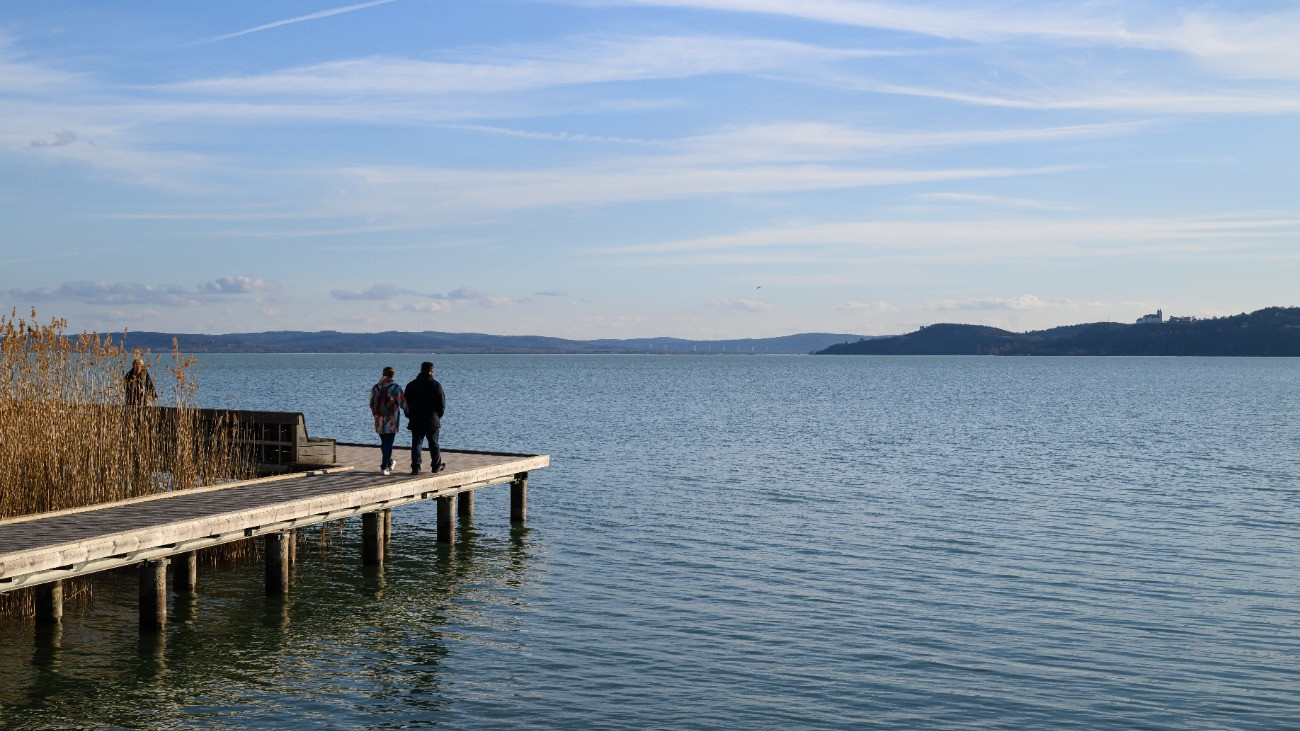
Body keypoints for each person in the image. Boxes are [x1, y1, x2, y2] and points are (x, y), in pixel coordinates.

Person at [404, 361, 445, 474]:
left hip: (416, 418)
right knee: (434, 444)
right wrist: (438, 416)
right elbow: (441, 404)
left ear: (421, 370)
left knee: (416, 443)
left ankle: (416, 467)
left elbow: (405, 404)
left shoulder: (411, 385)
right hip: (432, 419)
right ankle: (436, 466)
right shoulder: (436, 385)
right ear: (431, 372)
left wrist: (409, 415)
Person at [369, 366, 406, 475]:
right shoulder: (395, 388)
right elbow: (403, 403)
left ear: (383, 374)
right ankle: (384, 467)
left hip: (378, 419)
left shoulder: (375, 388)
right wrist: (410, 412)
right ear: (393, 375)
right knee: (388, 443)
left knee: (384, 442)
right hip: (391, 420)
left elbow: (371, 403)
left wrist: (376, 414)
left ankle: (389, 462)